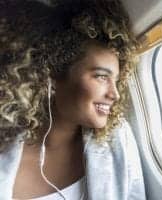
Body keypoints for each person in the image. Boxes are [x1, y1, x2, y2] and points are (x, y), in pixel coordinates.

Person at [0, 0, 146, 199]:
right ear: (53, 75)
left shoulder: (119, 141)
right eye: (101, 77)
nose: (115, 94)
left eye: (116, 80)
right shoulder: (4, 144)